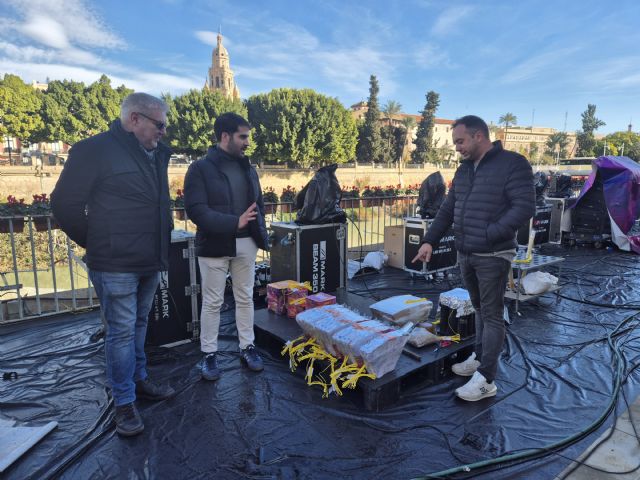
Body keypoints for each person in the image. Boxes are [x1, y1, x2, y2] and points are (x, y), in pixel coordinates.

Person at [51, 93, 175, 436]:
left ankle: (139, 380)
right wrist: (98, 243)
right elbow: (63, 204)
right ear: (134, 119)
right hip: (114, 262)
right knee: (120, 333)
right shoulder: (94, 150)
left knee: (137, 326)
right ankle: (124, 402)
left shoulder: (156, 155)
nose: (164, 132)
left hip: (149, 258)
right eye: (159, 124)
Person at [412, 115, 535, 402]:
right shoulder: (465, 170)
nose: (457, 148)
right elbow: (447, 209)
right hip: (466, 252)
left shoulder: (513, 164)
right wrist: (430, 240)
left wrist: (491, 233)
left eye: (460, 141)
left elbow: (524, 207)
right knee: (479, 309)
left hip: (494, 253)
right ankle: (479, 360)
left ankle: (486, 380)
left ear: (479, 136)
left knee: (492, 314)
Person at [184, 112, 269, 382]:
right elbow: (196, 211)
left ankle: (247, 347)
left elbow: (260, 206)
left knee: (245, 297)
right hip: (214, 245)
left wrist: (261, 237)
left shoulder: (248, 168)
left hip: (247, 245)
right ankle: (209, 354)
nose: (247, 142)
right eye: (243, 137)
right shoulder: (199, 169)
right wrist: (235, 222)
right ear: (225, 136)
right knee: (213, 302)